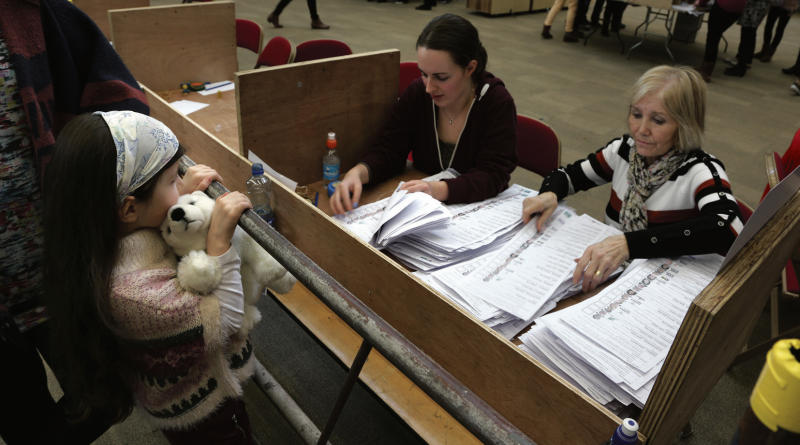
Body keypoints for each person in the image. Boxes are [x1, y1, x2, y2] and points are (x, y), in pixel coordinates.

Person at [43, 111, 257, 445]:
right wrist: (219, 243)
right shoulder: (134, 296)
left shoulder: (103, 238)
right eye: (172, 180)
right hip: (202, 410)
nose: (179, 186)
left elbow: (150, 230)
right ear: (129, 208)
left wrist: (178, 195)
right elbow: (224, 322)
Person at [0, 0, 148, 443]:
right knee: (24, 424)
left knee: (113, 393)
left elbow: (124, 110)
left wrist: (143, 180)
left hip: (58, 268)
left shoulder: (34, 14)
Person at [522, 66, 743, 292]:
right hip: (611, 273)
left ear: (684, 125)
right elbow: (567, 176)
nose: (641, 130)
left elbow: (727, 226)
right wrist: (550, 193)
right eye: (636, 114)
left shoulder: (699, 170)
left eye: (658, 120)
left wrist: (630, 244)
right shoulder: (624, 151)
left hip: (661, 286)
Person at [330, 13, 517, 214]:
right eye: (424, 74)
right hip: (423, 208)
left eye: (441, 77)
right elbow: (390, 149)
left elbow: (493, 174)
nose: (429, 87)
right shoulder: (418, 93)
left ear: (470, 68)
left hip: (477, 212)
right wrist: (359, 173)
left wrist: (438, 189)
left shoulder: (496, 102)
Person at [696, 0, 747, 81]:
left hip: (724, 6)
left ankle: (706, 71)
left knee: (713, 37)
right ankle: (705, 67)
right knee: (716, 35)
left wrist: (701, 3)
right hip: (739, 8)